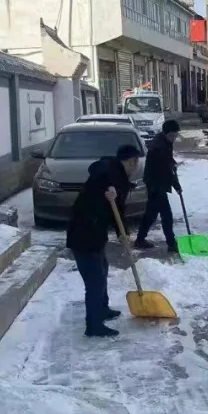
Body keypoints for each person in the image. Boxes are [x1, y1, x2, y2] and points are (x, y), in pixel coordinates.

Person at [66, 143, 141, 338]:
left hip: (96, 234)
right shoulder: (109, 171)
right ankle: (93, 325)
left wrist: (122, 233)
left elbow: (119, 209)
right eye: (137, 162)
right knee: (95, 282)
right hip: (83, 235)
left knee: (103, 270)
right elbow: (97, 168)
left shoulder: (119, 177)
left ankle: (103, 309)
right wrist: (108, 185)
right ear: (132, 162)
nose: (138, 166)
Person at [134, 119, 182, 253]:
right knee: (166, 215)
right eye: (172, 135)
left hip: (155, 183)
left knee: (151, 214)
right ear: (165, 133)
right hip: (156, 185)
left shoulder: (164, 142)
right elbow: (165, 171)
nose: (174, 138)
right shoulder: (159, 147)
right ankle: (171, 244)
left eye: (176, 135)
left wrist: (172, 162)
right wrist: (176, 185)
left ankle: (140, 240)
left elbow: (168, 162)